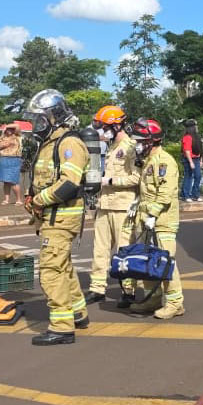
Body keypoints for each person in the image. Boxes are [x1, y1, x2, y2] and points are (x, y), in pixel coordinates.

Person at [25, 89, 89, 346]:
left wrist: (40, 200)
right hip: (53, 217)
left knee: (50, 271)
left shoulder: (69, 143)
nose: (36, 125)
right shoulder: (50, 143)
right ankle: (77, 312)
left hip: (61, 218)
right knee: (63, 267)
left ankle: (62, 327)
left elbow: (69, 184)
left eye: (40, 119)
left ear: (54, 117)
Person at [85, 105, 138, 307]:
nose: (101, 130)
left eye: (104, 126)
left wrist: (110, 181)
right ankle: (97, 288)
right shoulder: (111, 147)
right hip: (104, 204)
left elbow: (136, 177)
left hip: (123, 206)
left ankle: (128, 290)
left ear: (116, 126)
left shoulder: (131, 146)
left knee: (124, 251)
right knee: (100, 249)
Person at [132, 118, 184, 319]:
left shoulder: (164, 162)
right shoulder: (148, 162)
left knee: (165, 263)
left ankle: (175, 303)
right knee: (148, 263)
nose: (136, 144)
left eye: (140, 140)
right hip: (146, 221)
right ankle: (152, 299)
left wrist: (152, 214)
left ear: (151, 141)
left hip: (162, 222)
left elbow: (165, 193)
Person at [0, 124, 23, 204]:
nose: (10, 130)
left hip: (14, 159)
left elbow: (17, 126)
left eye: (11, 129)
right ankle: (6, 199)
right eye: (8, 129)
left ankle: (18, 200)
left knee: (14, 181)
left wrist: (7, 126)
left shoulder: (17, 137)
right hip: (3, 159)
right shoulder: (0, 138)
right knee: (6, 181)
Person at [180, 119, 202, 202]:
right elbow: (187, 150)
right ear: (192, 127)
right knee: (188, 176)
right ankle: (185, 195)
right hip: (189, 159)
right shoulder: (187, 137)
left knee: (198, 176)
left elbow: (200, 149)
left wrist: (201, 160)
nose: (197, 127)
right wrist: (191, 162)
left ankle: (195, 194)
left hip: (196, 158)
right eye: (195, 125)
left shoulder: (196, 136)